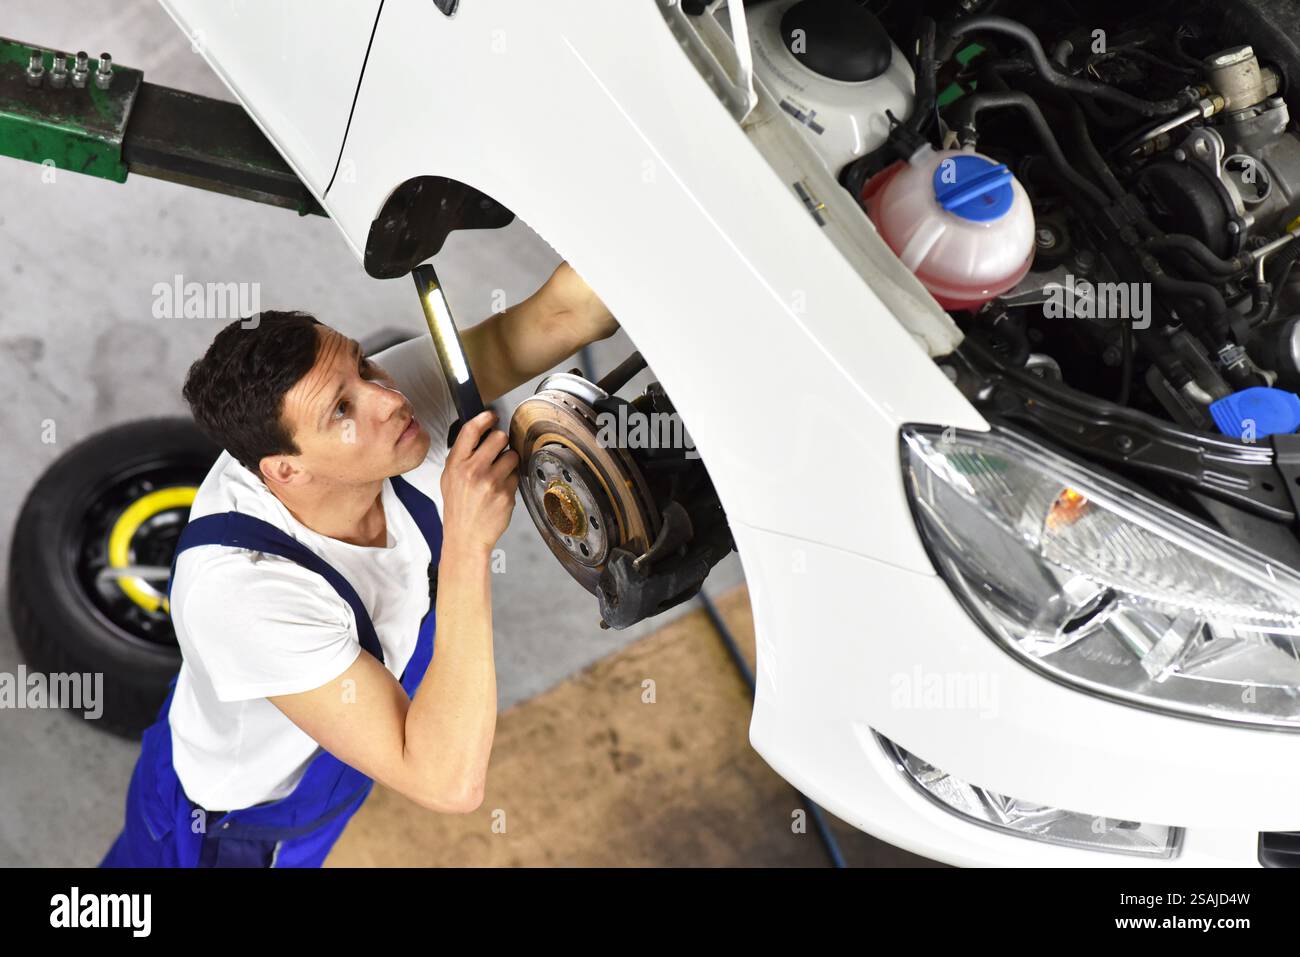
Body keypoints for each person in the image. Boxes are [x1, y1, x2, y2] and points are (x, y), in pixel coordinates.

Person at [100, 261, 618, 867]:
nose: (390, 397)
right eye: (342, 410)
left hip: (335, 766)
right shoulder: (242, 591)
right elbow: (446, 781)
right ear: (285, 470)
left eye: (362, 364)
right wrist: (468, 547)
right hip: (232, 827)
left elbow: (561, 315)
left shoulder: (384, 412)